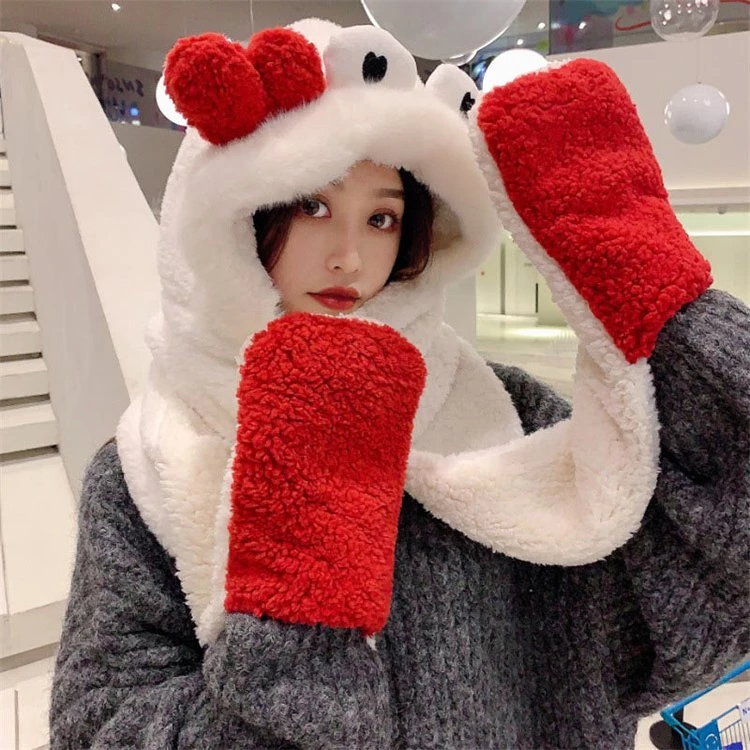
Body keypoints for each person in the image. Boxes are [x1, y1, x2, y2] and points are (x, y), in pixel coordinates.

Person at [49, 18, 749, 750]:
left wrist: (659, 297)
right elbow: (101, 727)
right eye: (312, 205)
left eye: (382, 217)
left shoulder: (508, 415)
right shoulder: (151, 463)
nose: (350, 258)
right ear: (233, 216)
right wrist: (299, 623)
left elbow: (711, 595)